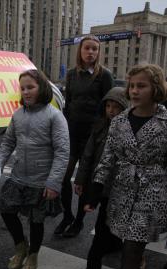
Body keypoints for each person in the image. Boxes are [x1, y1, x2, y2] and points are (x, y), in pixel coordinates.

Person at [92, 64, 167, 269]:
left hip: (152, 194)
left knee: (131, 251)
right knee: (127, 245)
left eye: (141, 86)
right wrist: (95, 189)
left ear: (155, 88)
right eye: (132, 86)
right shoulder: (118, 122)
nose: (134, 91)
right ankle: (137, 268)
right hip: (122, 193)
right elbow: (107, 158)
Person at [0, 69, 69, 269]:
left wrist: (53, 183)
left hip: (41, 181)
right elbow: (8, 142)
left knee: (36, 221)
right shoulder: (17, 115)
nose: (26, 92)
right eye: (23, 88)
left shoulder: (55, 116)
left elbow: (63, 152)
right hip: (18, 176)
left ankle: (33, 256)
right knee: (6, 210)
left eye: (30, 87)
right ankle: (20, 247)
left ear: (41, 88)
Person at [55, 35, 114, 237]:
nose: (91, 52)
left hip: (93, 137)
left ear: (98, 53)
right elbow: (68, 103)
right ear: (80, 51)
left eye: (95, 49)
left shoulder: (104, 76)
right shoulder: (71, 74)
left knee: (84, 182)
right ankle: (67, 216)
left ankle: (79, 222)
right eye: (87, 48)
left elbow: (110, 106)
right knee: (63, 177)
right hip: (72, 133)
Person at [72, 87, 128, 269]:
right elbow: (87, 156)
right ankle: (98, 261)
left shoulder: (128, 130)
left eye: (116, 107)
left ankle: (103, 256)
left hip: (119, 187)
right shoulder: (99, 127)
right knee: (103, 224)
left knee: (107, 224)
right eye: (108, 106)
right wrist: (80, 180)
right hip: (99, 185)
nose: (111, 111)